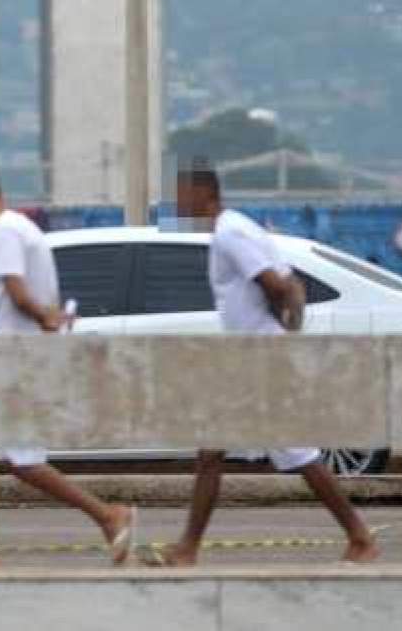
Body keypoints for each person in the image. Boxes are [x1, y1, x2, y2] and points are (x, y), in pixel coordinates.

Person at [158, 161, 378, 567]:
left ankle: (359, 535)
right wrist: (284, 332)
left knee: (293, 453)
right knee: (215, 451)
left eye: (182, 196)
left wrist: (277, 337)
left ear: (204, 193)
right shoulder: (239, 227)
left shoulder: (229, 232)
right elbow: (289, 282)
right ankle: (187, 548)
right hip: (254, 358)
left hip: (258, 361)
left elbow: (276, 285)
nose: (178, 205)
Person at [0, 163, 136, 570]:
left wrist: (43, 317)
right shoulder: (19, 229)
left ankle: (108, 515)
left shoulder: (6, 232)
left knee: (22, 461)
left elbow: (15, 289)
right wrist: (48, 315)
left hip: (18, 362)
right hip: (12, 358)